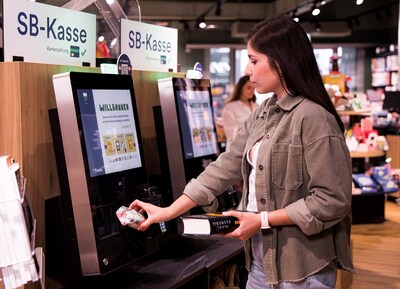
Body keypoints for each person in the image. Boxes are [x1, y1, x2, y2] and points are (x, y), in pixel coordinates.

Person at [130, 15, 353, 289]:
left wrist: (261, 220)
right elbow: (224, 166)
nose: (247, 70)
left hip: (302, 270)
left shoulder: (314, 118)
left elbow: (333, 200)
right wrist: (167, 212)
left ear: (281, 61)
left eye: (254, 60)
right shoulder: (263, 112)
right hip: (260, 261)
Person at [222, 75, 259, 151]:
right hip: (235, 149)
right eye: (248, 88)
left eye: (253, 88)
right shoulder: (230, 107)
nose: (252, 91)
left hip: (253, 149)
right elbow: (229, 132)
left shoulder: (257, 106)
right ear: (240, 88)